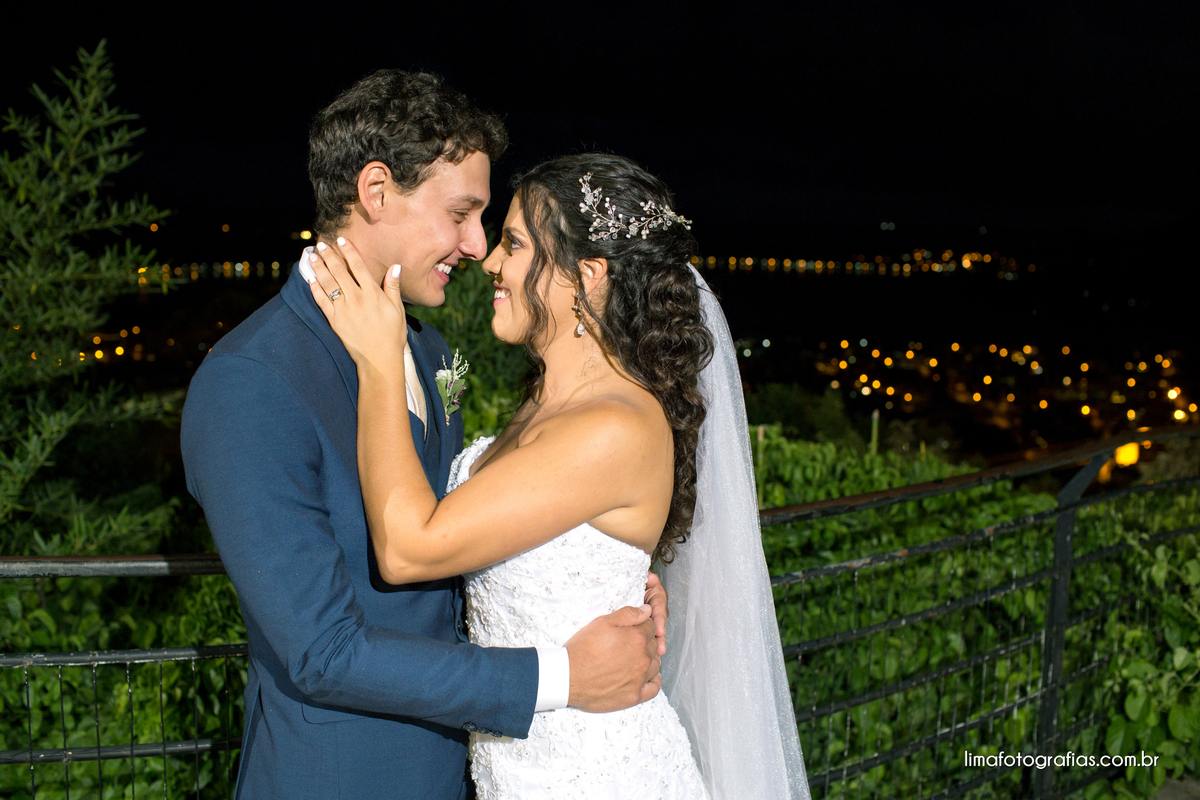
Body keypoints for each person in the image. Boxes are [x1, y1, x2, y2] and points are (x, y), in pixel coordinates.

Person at [180, 73, 668, 800]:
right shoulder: (250, 381)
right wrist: (562, 673)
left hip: (473, 769)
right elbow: (321, 652)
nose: (476, 247)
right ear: (376, 191)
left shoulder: (431, 351)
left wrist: (595, 582)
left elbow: (457, 543)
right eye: (463, 213)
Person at [303, 152, 810, 799]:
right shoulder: (549, 407)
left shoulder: (614, 427)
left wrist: (378, 360)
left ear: (585, 276)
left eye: (514, 244)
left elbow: (408, 548)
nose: (489, 261)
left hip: (599, 775)